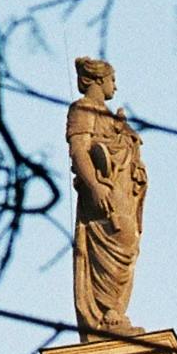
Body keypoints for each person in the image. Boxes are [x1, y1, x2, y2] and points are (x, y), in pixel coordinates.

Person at [66, 56, 146, 336]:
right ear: (99, 81)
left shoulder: (111, 117)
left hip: (122, 191)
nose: (116, 85)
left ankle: (114, 311)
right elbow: (79, 151)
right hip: (102, 191)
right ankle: (107, 313)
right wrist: (95, 186)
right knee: (118, 239)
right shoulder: (82, 109)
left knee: (129, 244)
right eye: (113, 79)